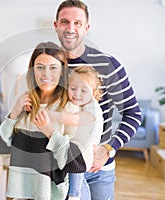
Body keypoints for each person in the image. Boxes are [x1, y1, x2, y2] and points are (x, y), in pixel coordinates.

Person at [54, 1, 143, 199]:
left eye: (77, 23)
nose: (70, 28)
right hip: (59, 169)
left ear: (87, 28)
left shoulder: (108, 65)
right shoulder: (49, 66)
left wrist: (108, 149)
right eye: (65, 22)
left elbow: (133, 113)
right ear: (56, 25)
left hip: (97, 170)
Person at [0, 41, 92, 200]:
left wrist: (49, 132)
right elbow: (1, 147)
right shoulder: (23, 103)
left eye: (53, 68)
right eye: (40, 67)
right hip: (22, 196)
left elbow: (77, 164)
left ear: (62, 71)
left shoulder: (69, 109)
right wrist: (14, 113)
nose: (46, 74)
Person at [36, 65, 104, 200]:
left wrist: (52, 115)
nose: (77, 94)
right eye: (73, 88)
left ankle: (74, 194)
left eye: (84, 90)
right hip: (77, 144)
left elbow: (75, 120)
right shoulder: (78, 103)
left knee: (76, 166)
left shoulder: (93, 107)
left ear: (94, 92)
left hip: (88, 147)